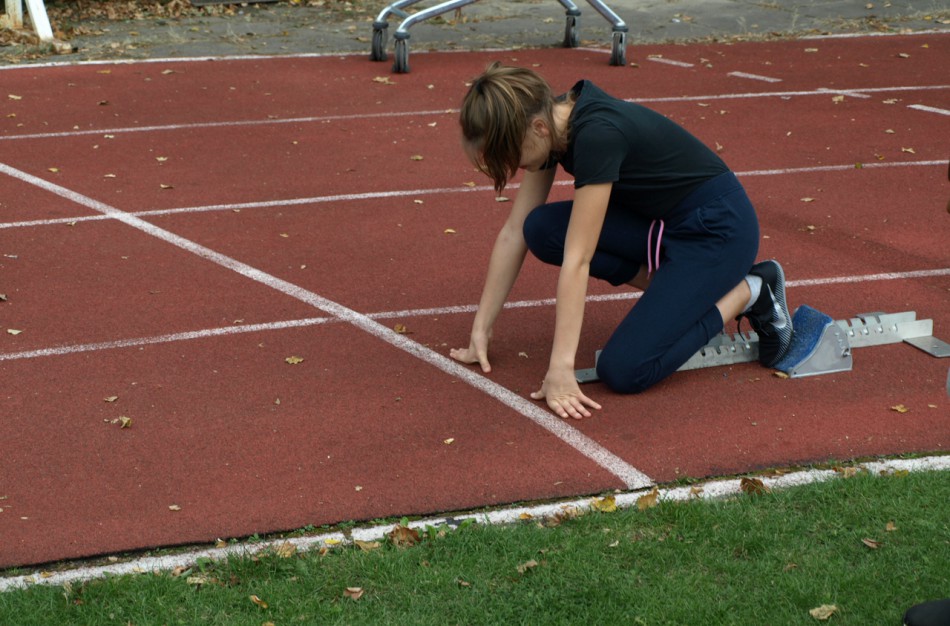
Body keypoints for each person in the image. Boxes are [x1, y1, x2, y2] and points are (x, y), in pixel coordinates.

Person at [450, 63, 792, 419]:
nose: (517, 167)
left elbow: (578, 259)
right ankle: (679, 296)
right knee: (540, 229)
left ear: (537, 128)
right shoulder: (546, 120)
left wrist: (561, 369)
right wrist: (481, 329)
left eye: (513, 157)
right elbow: (514, 231)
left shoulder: (596, 135)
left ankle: (751, 289)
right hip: (664, 226)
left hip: (718, 233)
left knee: (626, 370)